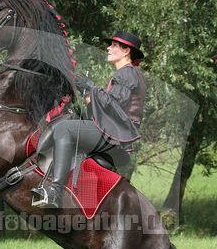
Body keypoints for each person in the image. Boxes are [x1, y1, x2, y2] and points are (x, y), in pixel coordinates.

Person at [31, 31, 147, 208]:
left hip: (116, 135)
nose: (108, 48)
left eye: (114, 45)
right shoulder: (128, 74)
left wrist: (92, 87)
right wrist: (85, 91)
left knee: (65, 129)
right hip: (113, 131)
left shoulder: (127, 74)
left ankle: (55, 191)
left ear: (126, 51)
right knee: (67, 122)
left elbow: (113, 105)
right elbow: (103, 108)